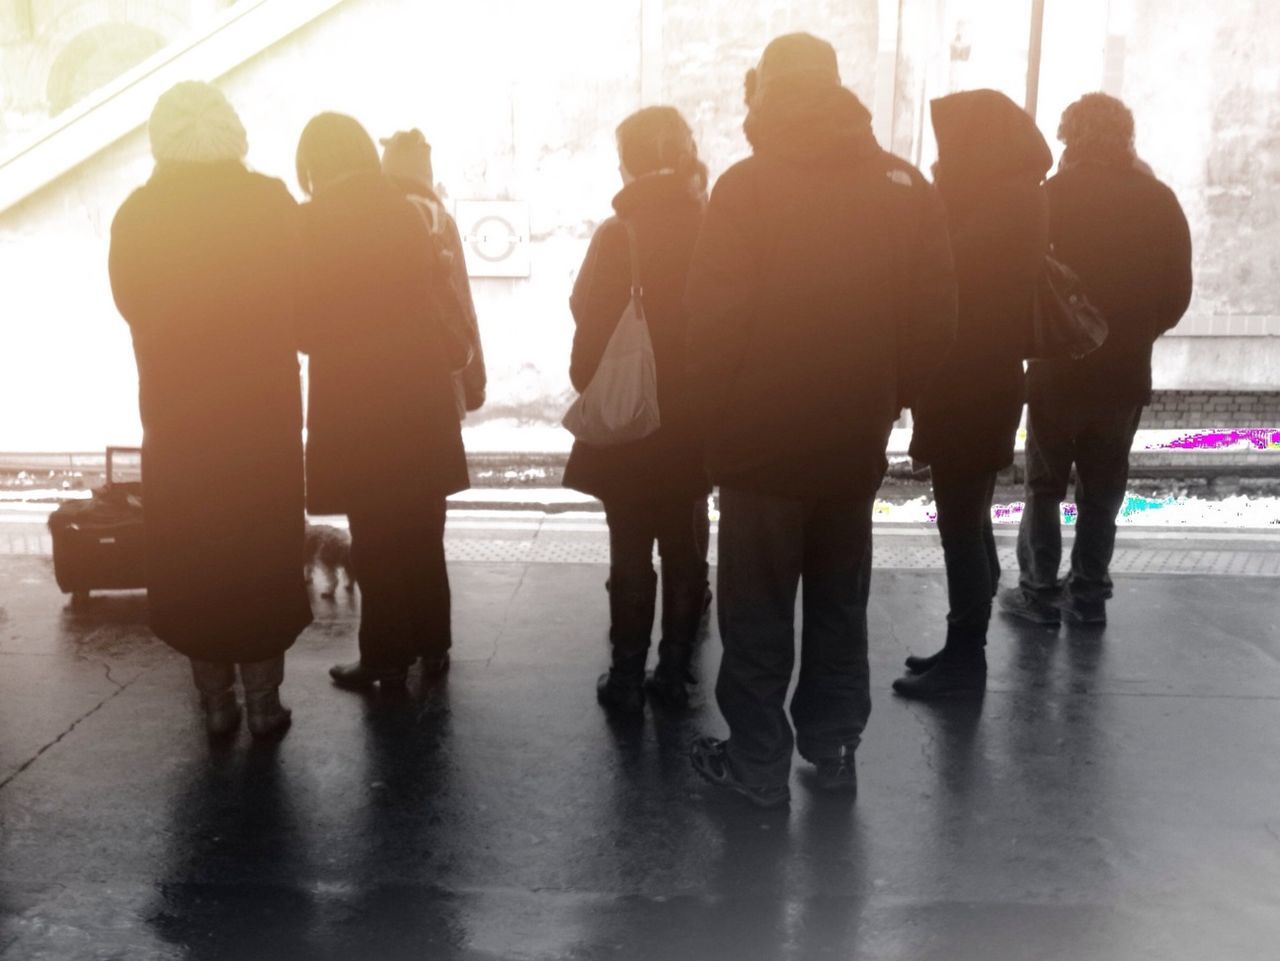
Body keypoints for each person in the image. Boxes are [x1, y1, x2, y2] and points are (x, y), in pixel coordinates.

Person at [684, 33, 957, 807]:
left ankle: (757, 763)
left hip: (758, 449)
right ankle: (835, 747)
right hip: (850, 444)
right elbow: (938, 321)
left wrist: (719, 419)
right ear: (836, 89)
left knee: (757, 609)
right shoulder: (903, 185)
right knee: (840, 601)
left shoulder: (746, 188)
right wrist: (886, 394)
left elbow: (708, 326)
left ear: (766, 93)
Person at [108, 81, 310, 738]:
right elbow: (304, 305)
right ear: (233, 135)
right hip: (262, 421)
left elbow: (131, 303)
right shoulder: (271, 204)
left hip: (179, 419)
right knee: (261, 551)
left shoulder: (138, 216)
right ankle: (265, 701)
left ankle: (215, 699)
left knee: (194, 556)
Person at [999, 93, 1193, 626]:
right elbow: (1178, 294)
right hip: (1125, 371)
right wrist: (1135, 332)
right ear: (1125, 137)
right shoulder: (1159, 201)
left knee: (1044, 483)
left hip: (1057, 369)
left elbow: (1017, 283)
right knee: (1104, 485)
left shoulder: (1049, 198)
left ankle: (1038, 590)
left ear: (1069, 136)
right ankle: (1088, 593)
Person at [294, 112, 469, 691]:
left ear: (316, 164)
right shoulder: (403, 209)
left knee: (378, 533)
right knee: (421, 527)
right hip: (420, 395)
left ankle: (386, 659)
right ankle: (433, 644)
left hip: (362, 403)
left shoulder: (315, 222)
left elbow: (304, 326)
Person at [893, 90, 1051, 699]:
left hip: (969, 379)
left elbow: (946, 269)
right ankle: (964, 647)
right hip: (983, 377)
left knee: (959, 521)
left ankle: (966, 659)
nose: (942, 153)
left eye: (951, 141)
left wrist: (941, 194)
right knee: (969, 517)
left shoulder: (998, 203)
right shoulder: (1018, 195)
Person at [562, 106, 711, 714]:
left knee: (628, 547)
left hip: (629, 423)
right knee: (684, 544)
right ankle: (673, 674)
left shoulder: (616, 235)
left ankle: (625, 676)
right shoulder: (715, 224)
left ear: (626, 161)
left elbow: (587, 335)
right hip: (692, 420)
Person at [380, 128, 487, 418]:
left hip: (384, 374)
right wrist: (475, 380)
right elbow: (461, 300)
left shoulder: (375, 221)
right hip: (441, 370)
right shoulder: (440, 222)